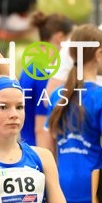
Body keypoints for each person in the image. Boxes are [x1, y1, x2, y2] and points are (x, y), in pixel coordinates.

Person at [41, 24, 102, 203]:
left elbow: (48, 150)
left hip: (61, 194)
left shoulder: (57, 95)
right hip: (91, 193)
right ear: (98, 54)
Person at [18, 11, 73, 146]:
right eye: (71, 39)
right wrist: (46, 164)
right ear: (60, 37)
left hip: (28, 146)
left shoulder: (31, 67)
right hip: (37, 150)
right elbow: (41, 128)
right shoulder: (45, 72)